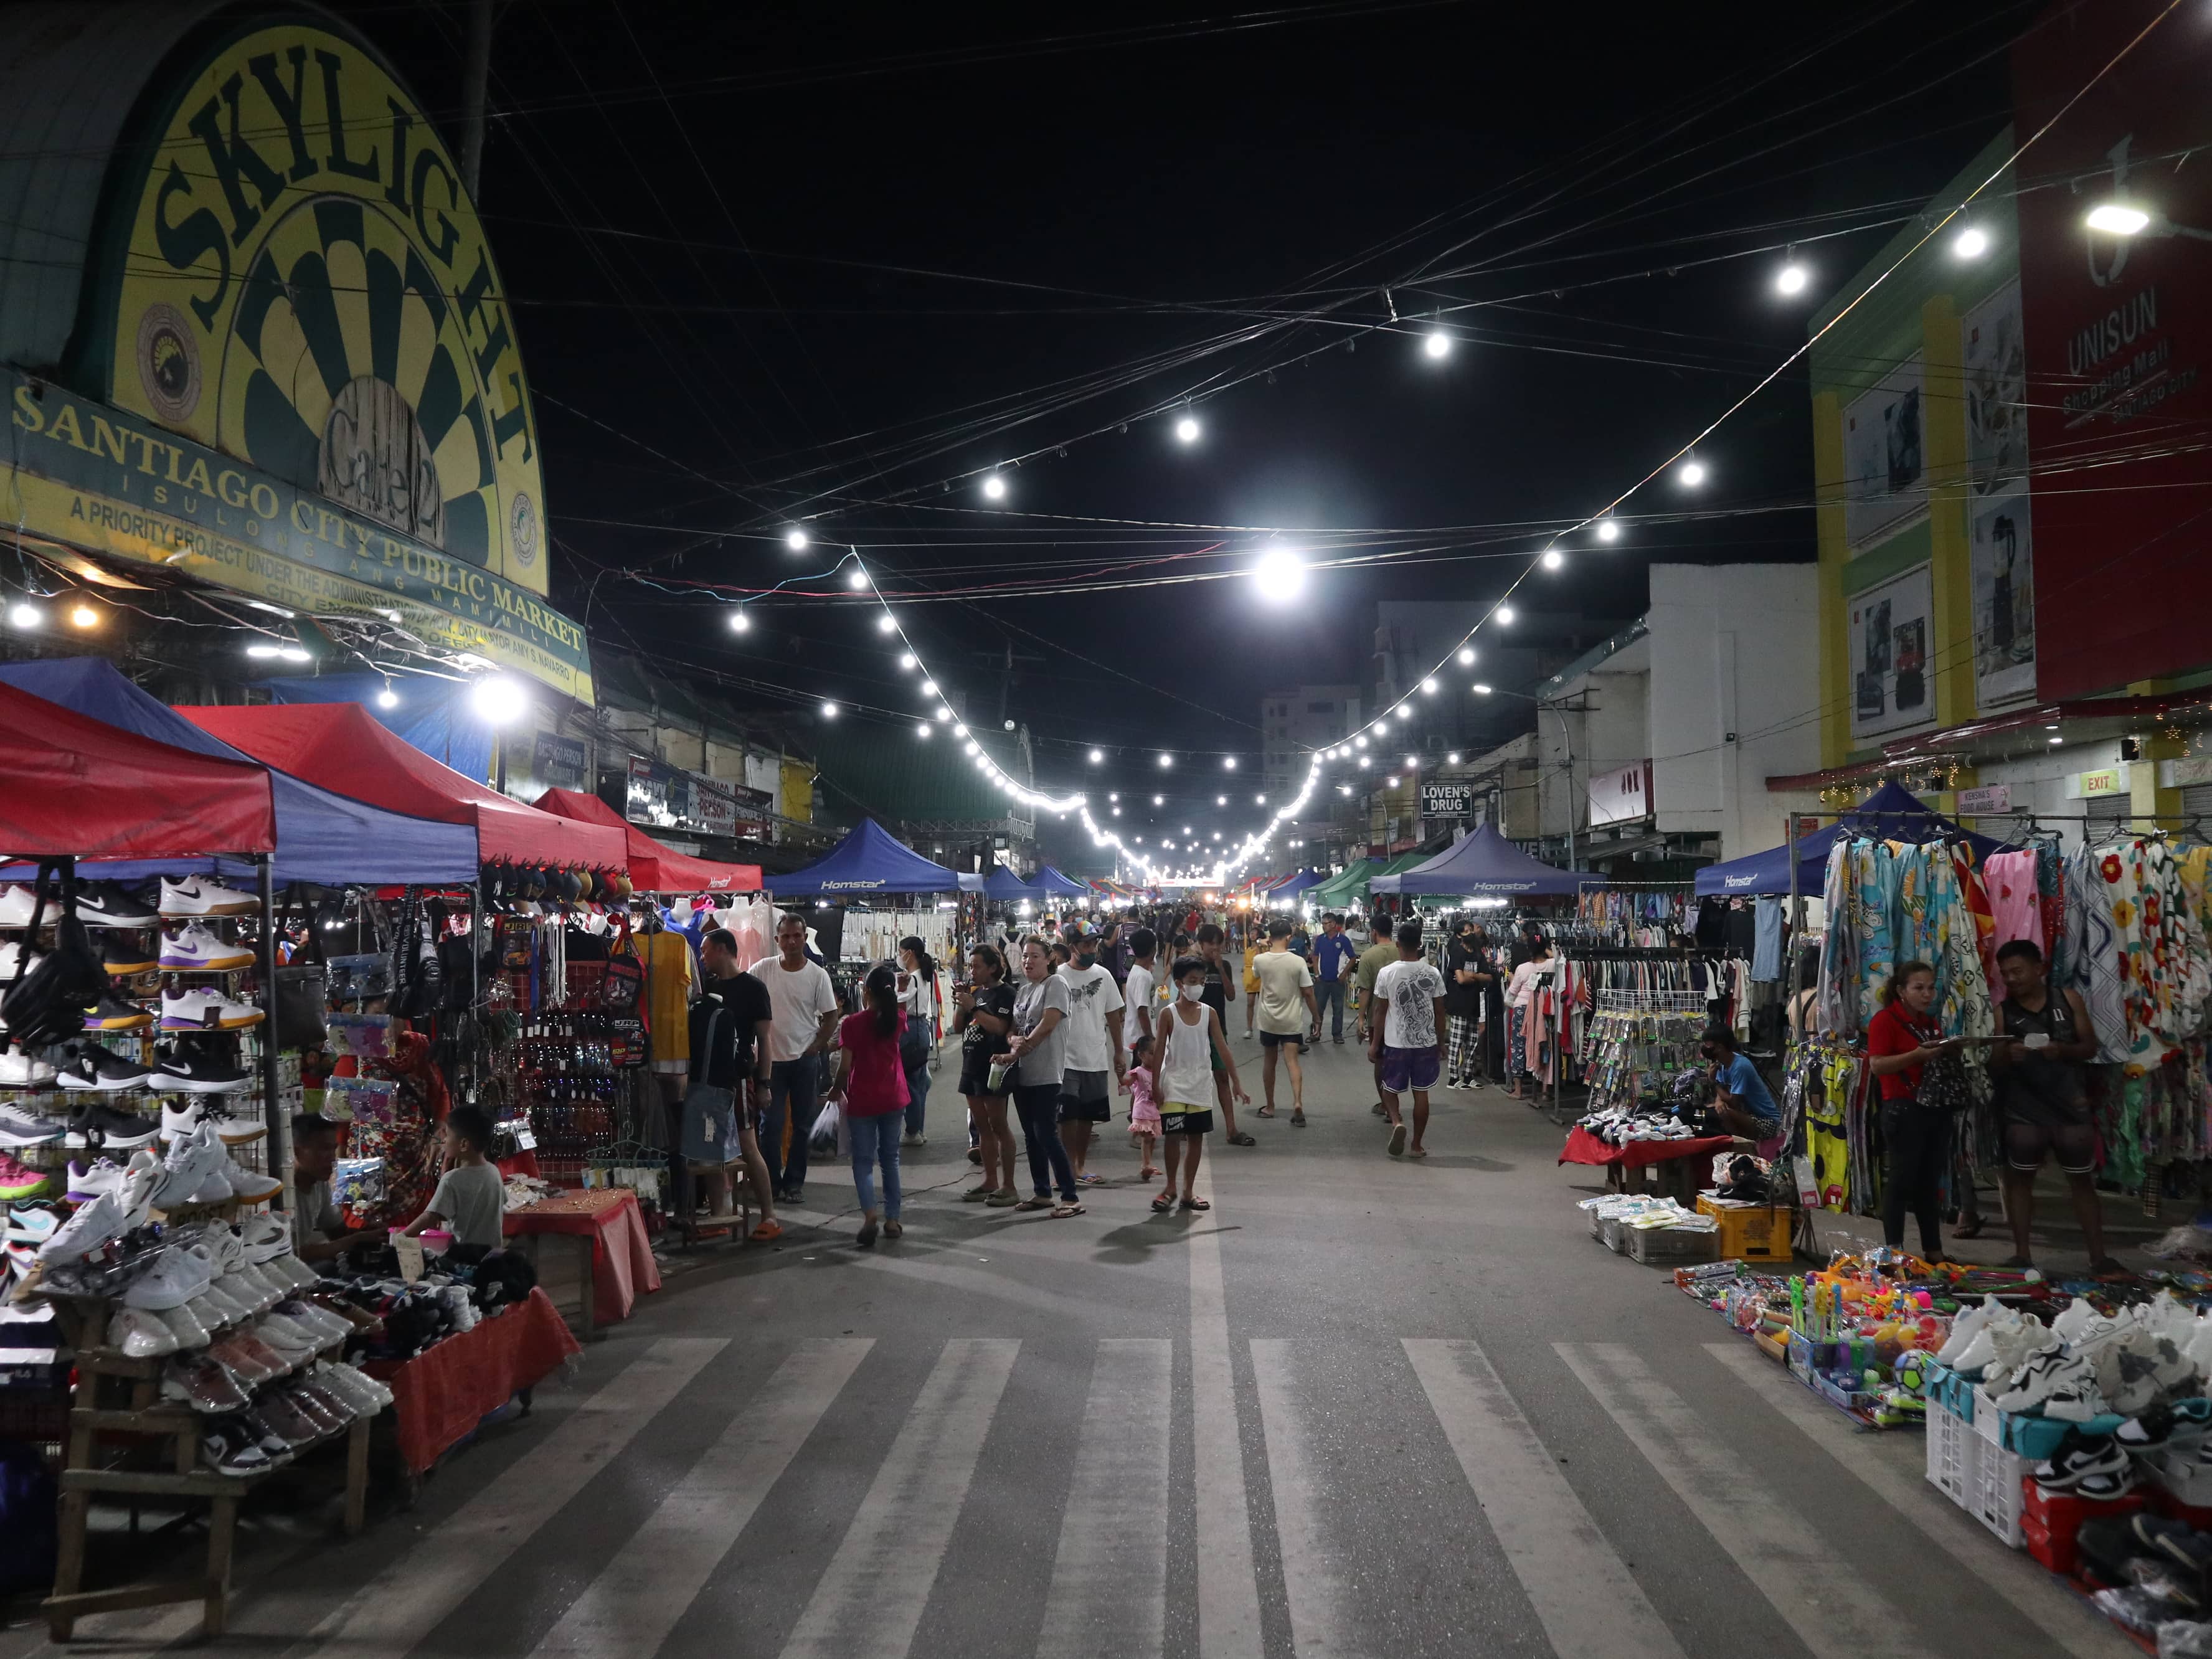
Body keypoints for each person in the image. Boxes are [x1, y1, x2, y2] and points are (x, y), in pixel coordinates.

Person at [1990, 939, 2117, 1273]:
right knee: (2020, 1181)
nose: (2012, 979)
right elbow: (1994, 1064)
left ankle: (2099, 1256)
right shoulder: (2003, 1012)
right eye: (2005, 974)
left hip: (2068, 1104)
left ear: (2039, 968)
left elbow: (2090, 1047)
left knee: (2081, 1182)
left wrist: (2061, 1050)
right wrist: (2006, 1055)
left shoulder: (2067, 1000)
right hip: (2023, 1107)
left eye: (2017, 971)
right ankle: (2022, 1255)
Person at [1866, 960, 1962, 1261]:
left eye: (1931, 987)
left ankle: (1933, 1250)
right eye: (1919, 988)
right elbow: (1877, 1065)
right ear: (1901, 991)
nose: (1927, 994)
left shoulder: (1928, 1022)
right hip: (1902, 1110)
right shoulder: (1885, 1021)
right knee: (1900, 1182)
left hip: (1933, 1108)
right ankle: (1894, 1251)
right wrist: (1916, 1055)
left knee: (1928, 1182)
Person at [691, 925, 782, 1242]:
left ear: (723, 950)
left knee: (747, 1145)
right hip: (708, 1082)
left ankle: (769, 1214)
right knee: (711, 1148)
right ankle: (718, 1215)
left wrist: (764, 1083)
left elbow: (765, 1042)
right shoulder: (707, 989)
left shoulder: (753, 988)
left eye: (705, 950)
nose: (702, 956)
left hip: (740, 1079)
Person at [747, 912, 841, 1204]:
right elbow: (743, 1003)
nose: (791, 941)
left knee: (802, 1125)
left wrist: (816, 1046)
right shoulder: (762, 969)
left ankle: (794, 1183)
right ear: (777, 940)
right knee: (771, 1126)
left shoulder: (817, 975)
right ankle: (772, 1183)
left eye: (796, 935)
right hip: (770, 1062)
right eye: (785, 936)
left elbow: (831, 1017)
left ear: (804, 938)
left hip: (804, 1061)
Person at [1151, 955, 1247, 1213]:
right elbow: (1159, 1051)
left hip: (1200, 1085)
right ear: (1179, 983)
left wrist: (1236, 1082)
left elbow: (1223, 1049)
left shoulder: (1209, 1014)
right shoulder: (1167, 1014)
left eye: (1202, 981)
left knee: (1196, 1139)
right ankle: (1170, 1187)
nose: (1198, 986)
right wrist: (1155, 1086)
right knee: (1172, 1137)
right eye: (1193, 981)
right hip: (1173, 1083)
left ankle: (1188, 1191)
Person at [826, 964, 909, 1247]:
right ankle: (893, 1220)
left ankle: (871, 1215)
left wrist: (835, 1091)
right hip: (894, 1096)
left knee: (863, 1162)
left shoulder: (852, 1023)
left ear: (866, 992)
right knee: (890, 1159)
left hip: (863, 1098)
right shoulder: (897, 1018)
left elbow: (845, 1066)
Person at [1003, 938, 1084, 1216]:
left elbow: (1048, 1024)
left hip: (1048, 1072)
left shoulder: (1056, 985)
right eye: (1025, 956)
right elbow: (1013, 1029)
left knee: (1046, 1133)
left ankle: (1070, 1196)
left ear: (1050, 959)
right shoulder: (1024, 990)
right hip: (1023, 1074)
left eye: (1035, 956)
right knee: (1031, 1136)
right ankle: (1042, 1193)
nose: (1028, 961)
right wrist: (1013, 1042)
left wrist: (1020, 1048)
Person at [1056, 925, 1126, 1186]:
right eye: (1086, 945)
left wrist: (1119, 1052)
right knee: (1067, 1117)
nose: (1092, 950)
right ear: (1073, 947)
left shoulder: (1104, 976)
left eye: (1094, 945)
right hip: (1064, 1058)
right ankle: (1066, 1170)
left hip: (1095, 1057)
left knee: (1087, 1118)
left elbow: (1114, 1016)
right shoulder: (1058, 977)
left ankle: (1079, 1165)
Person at [1369, 918, 1446, 1157]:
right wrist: (1441, 1042)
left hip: (1396, 1044)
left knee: (1389, 1088)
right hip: (1426, 1043)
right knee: (1421, 1093)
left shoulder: (1387, 974)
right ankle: (1416, 1145)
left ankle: (1396, 1121)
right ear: (1421, 944)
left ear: (1398, 944)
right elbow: (1440, 1012)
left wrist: (1374, 1044)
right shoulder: (1433, 973)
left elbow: (1380, 1011)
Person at [953, 945, 1021, 1206]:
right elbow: (959, 1027)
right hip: (971, 1065)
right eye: (970, 966)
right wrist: (962, 1003)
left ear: (993, 967)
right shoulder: (975, 993)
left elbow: (1000, 1027)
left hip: (994, 1066)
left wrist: (974, 1008)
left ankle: (1009, 1185)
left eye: (977, 966)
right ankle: (990, 1180)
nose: (972, 971)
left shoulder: (1006, 993)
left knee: (998, 1125)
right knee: (982, 1128)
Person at [404, 1105, 504, 1250]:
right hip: (492, 1257)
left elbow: (430, 1217)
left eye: (448, 1135)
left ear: (464, 1144)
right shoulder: (494, 1172)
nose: (444, 1140)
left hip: (463, 1259)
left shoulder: (452, 1179)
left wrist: (402, 1237)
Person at [1194, 924, 1255, 1145]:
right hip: (1194, 1031)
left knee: (1222, 1076)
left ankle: (1231, 1129)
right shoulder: (1193, 966)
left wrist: (1220, 969)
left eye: (1218, 943)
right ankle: (1188, 1126)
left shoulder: (1225, 966)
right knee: (1193, 1078)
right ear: (1201, 944)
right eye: (1211, 943)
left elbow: (1230, 995)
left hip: (1218, 1030)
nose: (1215, 948)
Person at [1253, 917, 1317, 1125]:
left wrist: (1262, 946)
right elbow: (1308, 993)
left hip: (1268, 1020)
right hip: (1291, 1021)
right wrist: (1316, 1017)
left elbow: (1255, 975)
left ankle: (1270, 1106)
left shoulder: (1260, 961)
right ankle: (1297, 1103)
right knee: (1293, 1062)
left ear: (1270, 937)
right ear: (1289, 937)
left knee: (1269, 1062)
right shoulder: (1298, 961)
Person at [288, 1114, 363, 1265]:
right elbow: (288, 1254)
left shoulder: (319, 1184)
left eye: (333, 1150)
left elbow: (337, 1232)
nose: (332, 1158)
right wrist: (353, 1240)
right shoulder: (280, 1190)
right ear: (297, 1151)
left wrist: (366, 1234)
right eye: (324, 1150)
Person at [1699, 1025, 1781, 1142]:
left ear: (1720, 1047)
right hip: (1747, 1115)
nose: (1705, 1048)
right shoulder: (1721, 1064)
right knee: (1716, 1109)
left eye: (1708, 1045)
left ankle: (1741, 1145)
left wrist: (1713, 1082)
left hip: (1768, 1122)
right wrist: (1718, 1101)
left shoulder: (1740, 1066)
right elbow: (1721, 1093)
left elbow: (1734, 1102)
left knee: (1724, 1112)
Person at [1353, 915, 1399, 1117]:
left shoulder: (1368, 956)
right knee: (1396, 1061)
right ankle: (1392, 1104)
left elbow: (1365, 990)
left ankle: (1386, 1105)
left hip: (1377, 1017)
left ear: (1374, 932)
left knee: (1380, 1060)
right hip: (1401, 1017)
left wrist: (1361, 1018)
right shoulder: (1402, 951)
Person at [1503, 933, 1555, 1100]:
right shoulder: (1554, 965)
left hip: (1523, 1008)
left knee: (1518, 1046)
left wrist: (1511, 980)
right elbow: (1560, 959)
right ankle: (1545, 1090)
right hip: (1544, 1009)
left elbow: (1513, 992)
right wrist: (1548, 950)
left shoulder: (1522, 968)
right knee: (1545, 1045)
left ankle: (1518, 1090)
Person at [1443, 917, 1493, 1089]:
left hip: (1474, 1002)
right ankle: (1453, 1077)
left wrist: (1473, 976)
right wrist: (1474, 976)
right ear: (1459, 935)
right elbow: (1461, 980)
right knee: (1456, 1041)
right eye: (1466, 931)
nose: (1470, 933)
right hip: (1459, 1002)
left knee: (1472, 1041)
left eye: (1471, 929)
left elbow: (1488, 977)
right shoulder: (1457, 952)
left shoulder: (1478, 952)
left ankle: (1468, 1076)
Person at [896, 936, 935, 1148]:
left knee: (911, 1084)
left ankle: (912, 1131)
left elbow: (901, 1005)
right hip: (922, 1029)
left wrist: (898, 990)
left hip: (910, 1029)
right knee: (920, 1083)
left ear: (909, 953)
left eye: (900, 950)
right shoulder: (925, 976)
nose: (899, 955)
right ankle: (918, 1129)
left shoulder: (910, 978)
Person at [1312, 912, 1357, 1045]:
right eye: (1323, 924)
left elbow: (1353, 958)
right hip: (1322, 980)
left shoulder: (1343, 940)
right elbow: (1315, 957)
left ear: (1333, 924)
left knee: (1338, 1008)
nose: (1324, 926)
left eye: (1325, 924)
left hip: (1337, 981)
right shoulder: (1320, 939)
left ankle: (1337, 1034)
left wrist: (1344, 974)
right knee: (1318, 1009)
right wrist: (1316, 974)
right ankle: (1316, 1033)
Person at [1123, 1032, 1162, 1179]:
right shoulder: (1139, 1071)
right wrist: (1121, 1075)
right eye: (1152, 1054)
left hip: (1155, 1110)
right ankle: (1145, 1165)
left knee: (1153, 1139)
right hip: (1142, 1111)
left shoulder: (1159, 1072)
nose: (1156, 1057)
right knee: (1146, 1139)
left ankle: (1149, 1164)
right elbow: (1126, 1081)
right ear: (1141, 1055)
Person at [1122, 927, 1161, 1058]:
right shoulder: (1142, 977)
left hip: (1138, 1038)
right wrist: (1151, 1040)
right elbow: (1142, 1011)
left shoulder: (1139, 972)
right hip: (1140, 1042)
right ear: (1153, 950)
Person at [1240, 927, 1263, 1036]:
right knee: (1250, 1003)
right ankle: (1249, 1028)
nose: (1252, 935)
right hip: (1250, 977)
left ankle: (1265, 1027)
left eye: (1255, 933)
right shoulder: (1247, 949)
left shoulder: (1261, 948)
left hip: (1260, 976)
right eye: (1251, 933)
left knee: (1263, 1003)